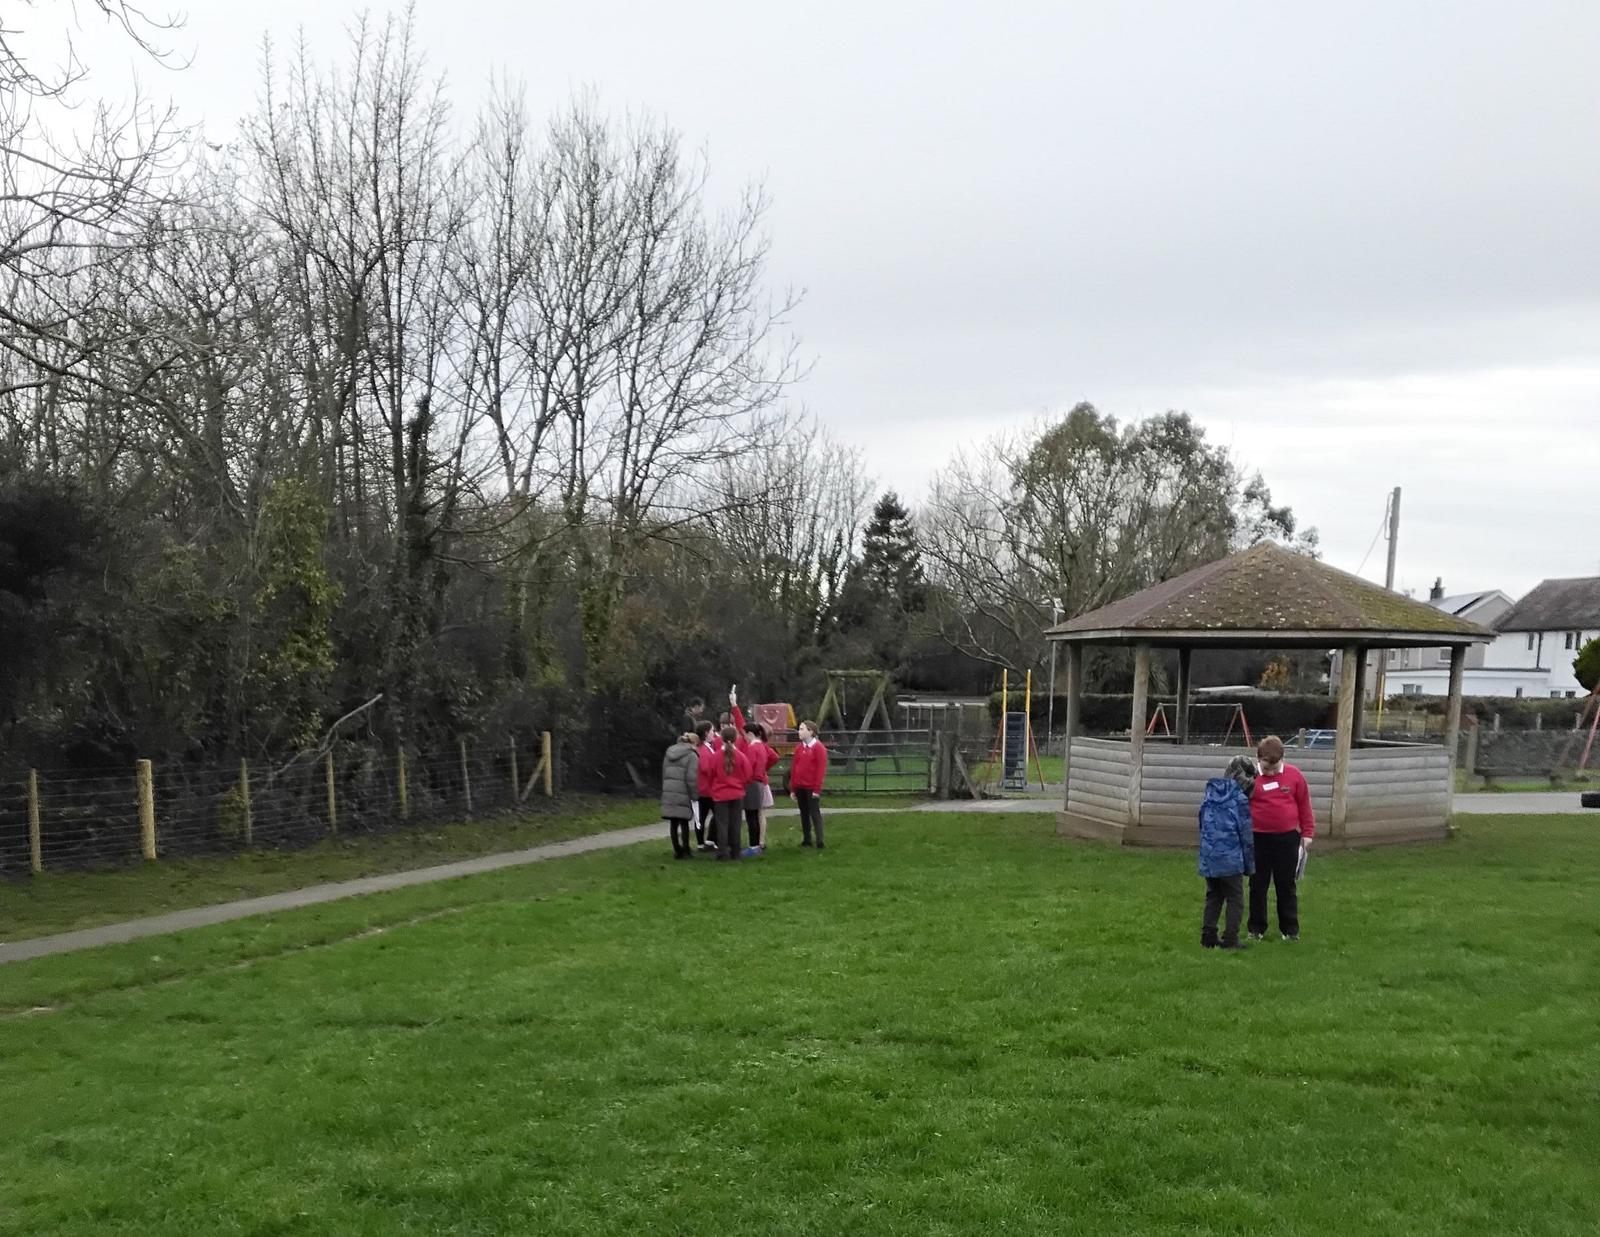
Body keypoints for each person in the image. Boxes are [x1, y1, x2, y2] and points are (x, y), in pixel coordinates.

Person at [1247, 735, 1315, 942]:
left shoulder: (1294, 776)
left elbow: (1304, 806)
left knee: (1286, 885)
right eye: (1266, 768)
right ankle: (1256, 928)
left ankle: (1290, 930)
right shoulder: (1249, 778)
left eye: (1275, 769)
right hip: (1257, 838)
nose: (1270, 773)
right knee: (1257, 885)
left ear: (1282, 760)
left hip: (1287, 839)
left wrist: (1307, 833)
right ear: (1258, 759)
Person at [1198, 755, 1258, 950]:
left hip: (1210, 857)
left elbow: (1202, 824)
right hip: (1231, 860)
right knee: (1235, 899)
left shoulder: (1210, 794)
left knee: (1214, 895)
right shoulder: (1239, 801)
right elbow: (1246, 837)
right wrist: (1249, 866)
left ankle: (1208, 937)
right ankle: (1230, 939)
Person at [707, 724, 753, 860]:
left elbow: (710, 774)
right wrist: (741, 785)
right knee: (736, 824)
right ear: (735, 739)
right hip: (737, 794)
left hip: (720, 794)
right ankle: (736, 852)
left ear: (721, 738)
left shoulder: (715, 757)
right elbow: (748, 775)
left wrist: (714, 788)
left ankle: (723, 852)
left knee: (722, 824)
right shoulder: (740, 756)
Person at [789, 719, 829, 848]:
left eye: (802, 729)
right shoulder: (799, 748)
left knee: (814, 813)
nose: (799, 732)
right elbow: (794, 768)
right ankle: (807, 839)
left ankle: (820, 840)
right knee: (803, 813)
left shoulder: (819, 748)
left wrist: (816, 789)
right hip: (800, 786)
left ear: (811, 732)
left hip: (811, 787)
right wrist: (793, 788)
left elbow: (820, 770)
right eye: (799, 729)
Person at [660, 731, 699, 859]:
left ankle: (677, 850)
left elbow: (664, 772)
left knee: (673, 822)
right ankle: (686, 850)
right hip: (683, 792)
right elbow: (691, 778)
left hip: (669, 790)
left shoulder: (669, 752)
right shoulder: (692, 756)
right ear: (692, 743)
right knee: (684, 822)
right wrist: (694, 795)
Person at [694, 720, 720, 851]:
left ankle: (707, 841)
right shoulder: (703, 749)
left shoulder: (706, 747)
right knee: (707, 816)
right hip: (706, 789)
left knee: (703, 817)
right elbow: (705, 768)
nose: (714, 733)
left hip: (705, 788)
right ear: (706, 733)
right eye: (712, 731)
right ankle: (705, 841)